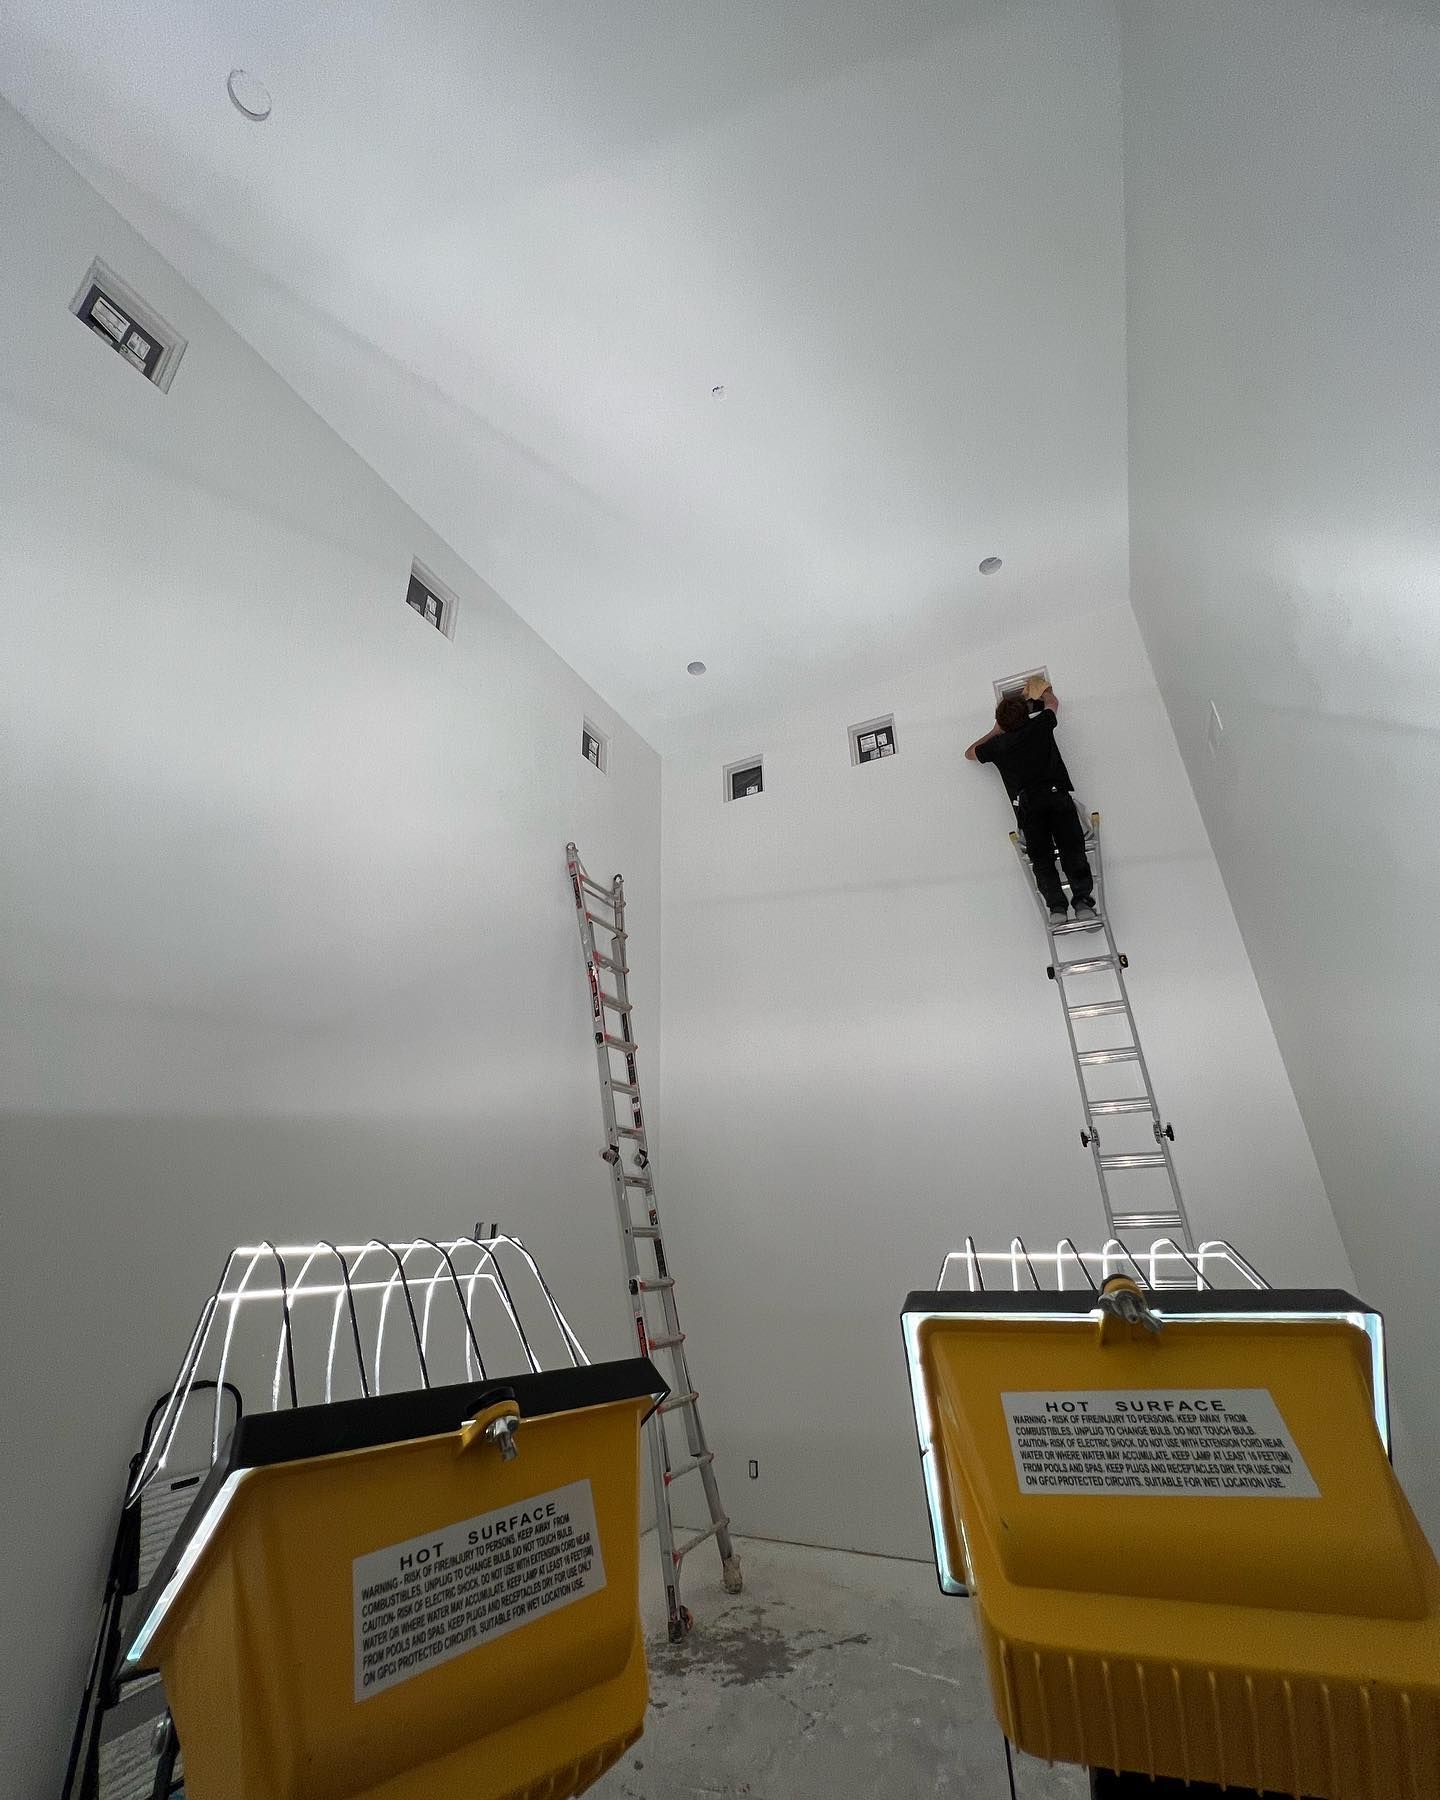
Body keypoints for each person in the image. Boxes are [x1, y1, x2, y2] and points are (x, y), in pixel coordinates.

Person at [966, 677, 1096, 926]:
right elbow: (1052, 702)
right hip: (1057, 797)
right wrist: (1044, 690)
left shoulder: (998, 745)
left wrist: (996, 730)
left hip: (1029, 808)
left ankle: (1057, 908)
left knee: (1042, 858)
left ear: (1002, 722)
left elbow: (970, 753)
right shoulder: (1041, 726)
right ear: (1026, 715)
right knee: (1072, 849)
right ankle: (1081, 902)